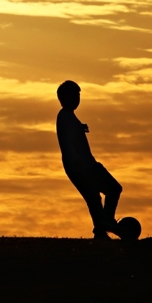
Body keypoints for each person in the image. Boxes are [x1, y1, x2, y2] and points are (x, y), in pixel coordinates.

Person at [55, 80, 123, 239]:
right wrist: (75, 158)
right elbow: (66, 141)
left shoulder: (68, 116)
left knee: (93, 198)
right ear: (64, 97)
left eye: (78, 96)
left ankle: (100, 232)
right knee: (113, 189)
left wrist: (80, 128)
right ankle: (107, 221)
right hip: (83, 166)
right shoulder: (64, 116)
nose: (77, 99)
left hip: (78, 167)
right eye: (74, 95)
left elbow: (71, 134)